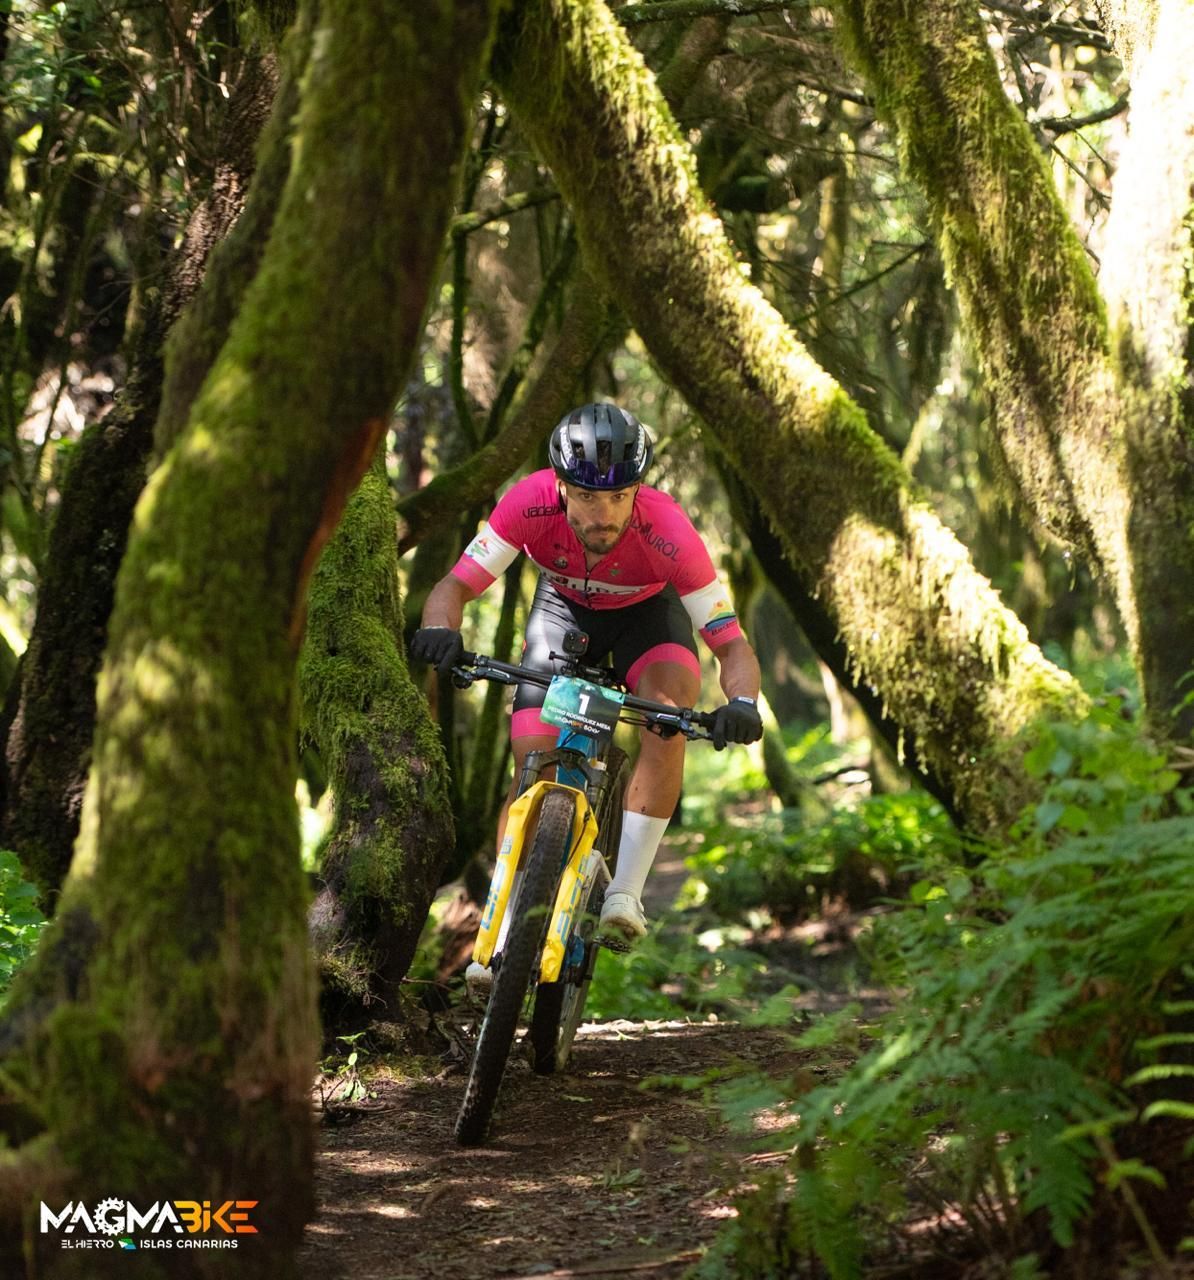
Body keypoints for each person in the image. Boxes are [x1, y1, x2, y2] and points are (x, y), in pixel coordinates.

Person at [411, 402, 763, 947]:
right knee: (533, 761)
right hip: (563, 613)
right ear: (559, 486)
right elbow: (455, 586)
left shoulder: (669, 531)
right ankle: (503, 921)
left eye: (620, 497)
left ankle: (625, 893)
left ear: (637, 491)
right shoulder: (526, 504)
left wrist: (742, 703)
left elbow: (731, 644)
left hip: (647, 619)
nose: (605, 515)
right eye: (587, 496)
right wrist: (441, 629)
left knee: (667, 714)